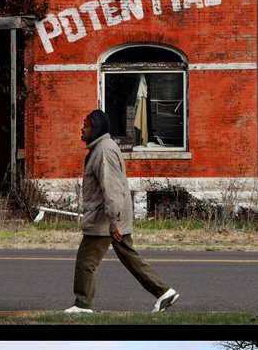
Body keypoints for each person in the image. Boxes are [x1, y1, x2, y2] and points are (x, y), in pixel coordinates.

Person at [64, 110, 179, 314]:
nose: (82, 129)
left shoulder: (103, 151)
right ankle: (164, 292)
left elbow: (111, 187)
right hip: (111, 215)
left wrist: (113, 220)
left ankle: (82, 306)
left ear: (96, 129)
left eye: (86, 126)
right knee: (129, 257)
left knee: (85, 262)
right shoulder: (103, 147)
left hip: (104, 218)